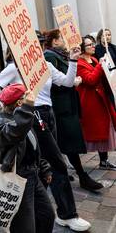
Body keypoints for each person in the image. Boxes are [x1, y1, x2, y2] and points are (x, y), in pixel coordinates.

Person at [0, 44, 94, 231]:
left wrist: (72, 60)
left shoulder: (46, 64)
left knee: (43, 162)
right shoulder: (17, 67)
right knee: (57, 162)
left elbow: (67, 82)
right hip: (32, 114)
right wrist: (10, 108)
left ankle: (43, 211)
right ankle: (67, 214)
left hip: (48, 113)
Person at [43, 29, 103, 192]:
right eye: (61, 38)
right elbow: (53, 83)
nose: (64, 40)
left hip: (68, 102)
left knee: (65, 141)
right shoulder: (49, 56)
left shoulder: (60, 55)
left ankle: (61, 170)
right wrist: (72, 81)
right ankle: (81, 175)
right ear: (54, 41)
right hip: (60, 105)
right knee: (67, 140)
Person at [0, 84, 54, 233]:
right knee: (25, 227)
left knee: (47, 215)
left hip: (33, 175)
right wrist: (28, 108)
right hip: (18, 180)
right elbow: (16, 131)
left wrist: (44, 167)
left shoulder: (25, 119)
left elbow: (33, 148)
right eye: (25, 97)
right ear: (19, 103)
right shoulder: (3, 123)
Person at [77, 35, 116, 168]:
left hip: (101, 98)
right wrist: (100, 65)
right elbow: (91, 80)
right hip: (91, 102)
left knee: (104, 129)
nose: (93, 46)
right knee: (97, 131)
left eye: (93, 44)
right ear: (82, 48)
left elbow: (101, 75)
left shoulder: (93, 59)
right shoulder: (79, 63)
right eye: (89, 45)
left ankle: (104, 160)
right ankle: (100, 160)